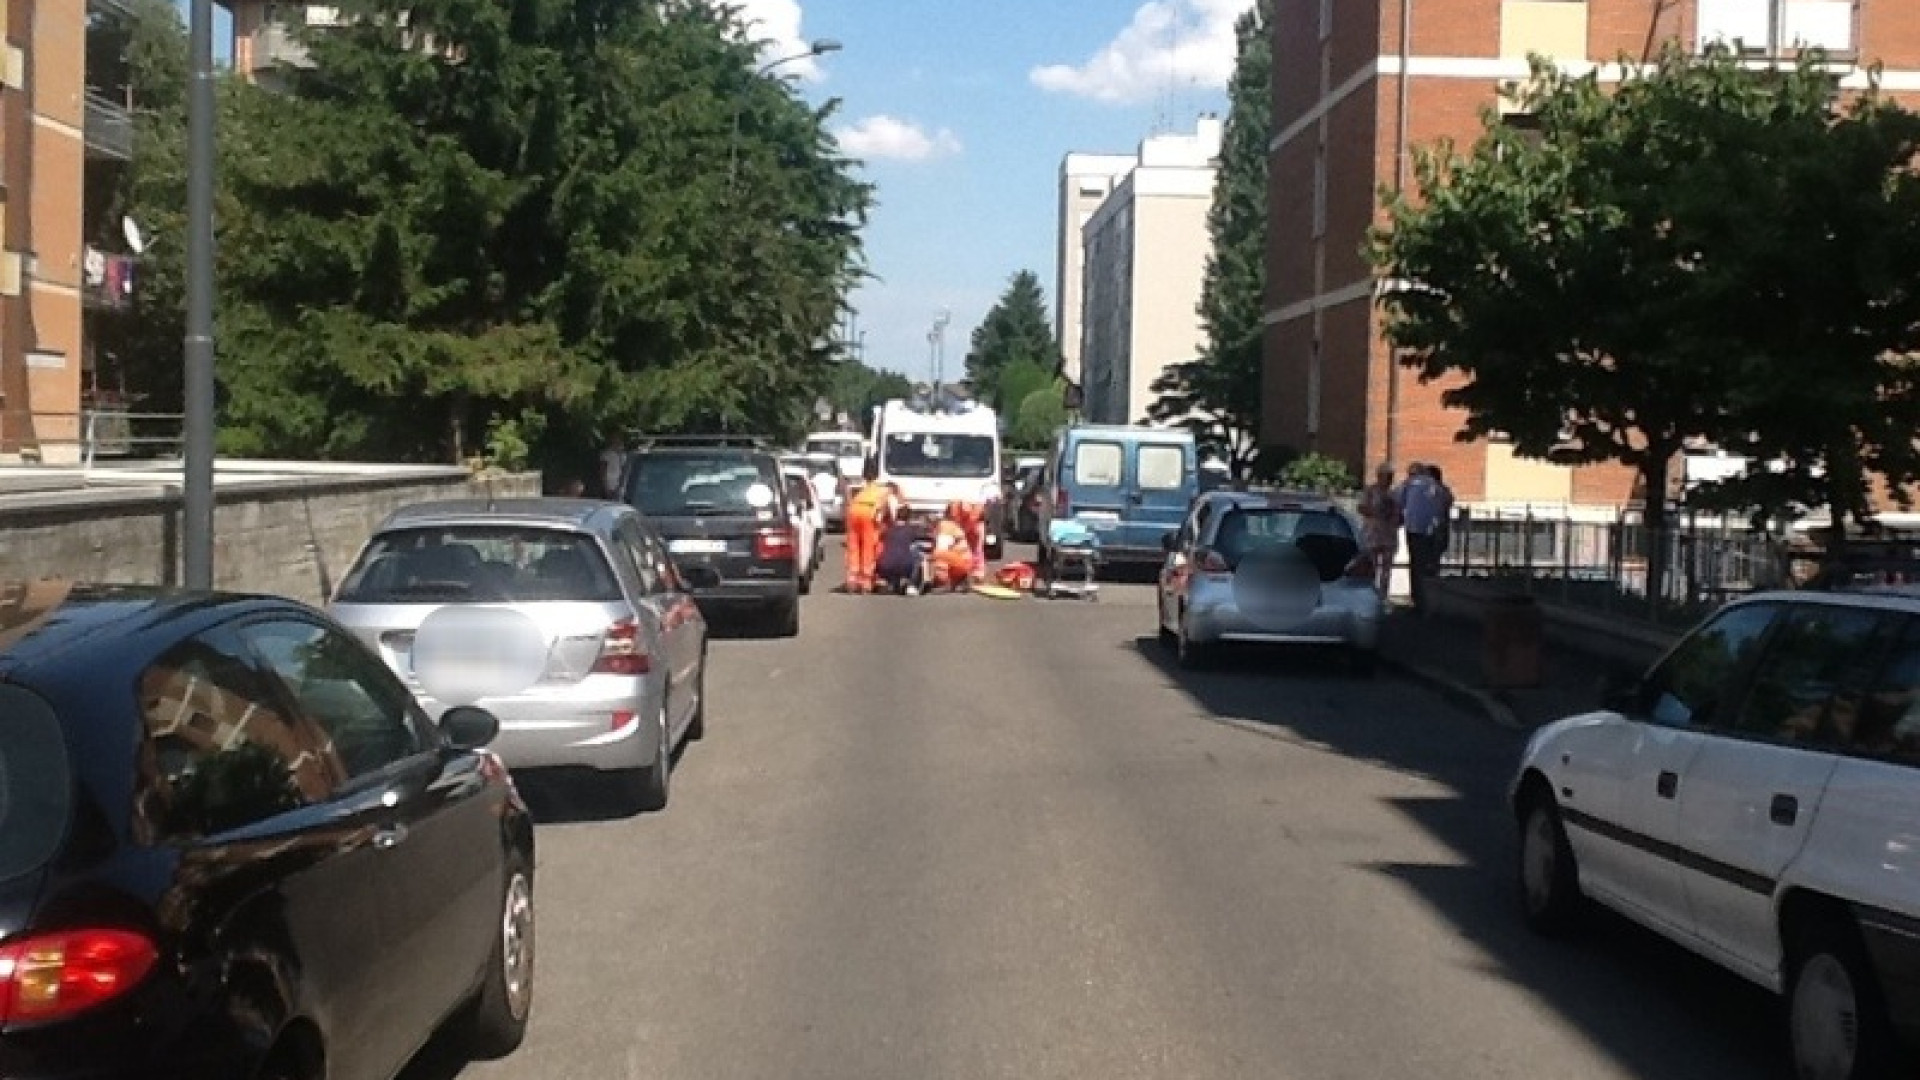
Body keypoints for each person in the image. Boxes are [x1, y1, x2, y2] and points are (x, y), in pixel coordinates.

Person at [1398, 463, 1449, 616]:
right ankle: (1433, 603)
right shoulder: (1439, 487)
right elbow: (1449, 501)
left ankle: (1419, 603)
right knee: (1432, 565)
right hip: (1435, 530)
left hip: (1415, 529)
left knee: (1416, 566)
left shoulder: (1409, 484)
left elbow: (1397, 500)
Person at [844, 464, 892, 593]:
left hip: (853, 511)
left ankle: (852, 579)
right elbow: (886, 511)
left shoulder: (859, 487)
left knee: (853, 545)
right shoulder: (884, 490)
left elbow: (848, 500)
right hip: (869, 512)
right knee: (868, 547)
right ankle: (865, 581)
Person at [1358, 462, 1401, 596]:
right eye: (1386, 476)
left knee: (1387, 569)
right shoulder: (1370, 491)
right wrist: (1376, 512)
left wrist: (1396, 518)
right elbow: (1361, 508)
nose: (1388, 479)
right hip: (1373, 534)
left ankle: (1383, 594)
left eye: (1390, 476)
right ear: (1379, 476)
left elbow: (1400, 515)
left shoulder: (1394, 493)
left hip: (1389, 536)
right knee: (1372, 566)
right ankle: (1370, 593)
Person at [875, 511, 932, 595]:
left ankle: (890, 584)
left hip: (884, 565)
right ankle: (912, 584)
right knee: (918, 556)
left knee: (890, 553)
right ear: (908, 518)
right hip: (904, 566)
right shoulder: (911, 530)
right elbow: (925, 542)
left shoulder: (887, 530)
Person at [928, 507, 975, 592]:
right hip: (965, 560)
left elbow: (942, 548)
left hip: (962, 560)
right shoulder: (953, 525)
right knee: (942, 555)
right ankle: (959, 580)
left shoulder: (945, 526)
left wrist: (929, 558)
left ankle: (942, 581)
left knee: (937, 554)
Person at [598, 433, 627, 499]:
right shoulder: (607, 454)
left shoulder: (623, 455)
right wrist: (605, 486)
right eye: (615, 441)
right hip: (609, 484)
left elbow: (624, 468)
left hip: (620, 484)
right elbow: (602, 470)